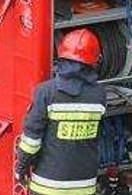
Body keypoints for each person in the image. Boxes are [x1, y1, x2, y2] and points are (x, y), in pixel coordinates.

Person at [15, 28, 106, 195]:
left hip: (47, 185)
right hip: (85, 185)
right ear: (95, 61)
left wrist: (21, 168)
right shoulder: (99, 95)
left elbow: (31, 141)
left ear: (62, 57)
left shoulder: (46, 92)